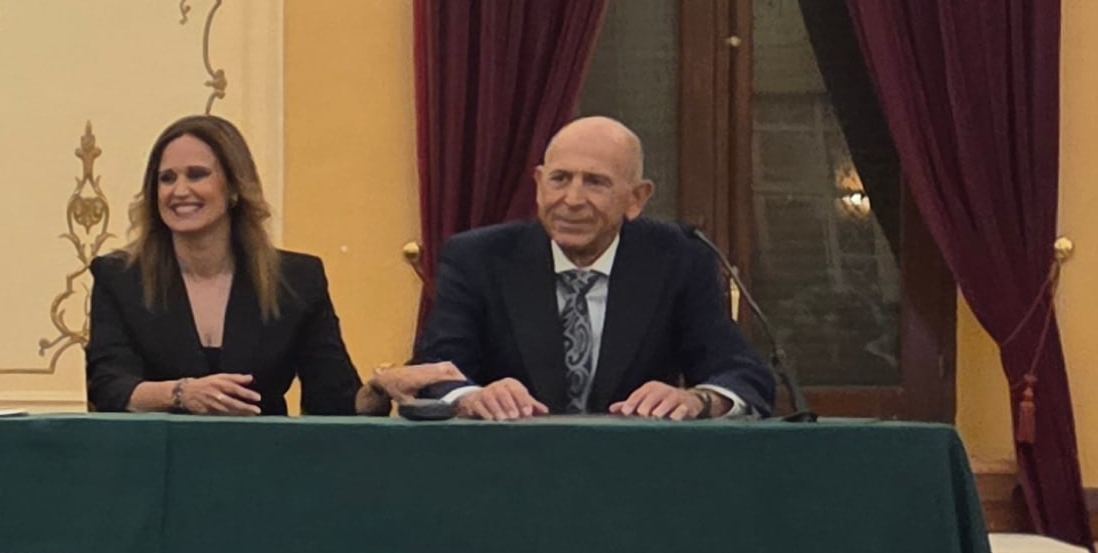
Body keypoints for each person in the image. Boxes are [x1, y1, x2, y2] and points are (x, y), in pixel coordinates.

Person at [373, 115, 773, 420]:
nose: (572, 199)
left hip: (636, 474)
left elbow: (742, 375)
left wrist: (699, 399)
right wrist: (472, 397)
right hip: (503, 471)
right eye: (560, 179)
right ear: (538, 182)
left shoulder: (679, 258)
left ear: (636, 198)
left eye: (595, 182)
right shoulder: (478, 258)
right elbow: (433, 371)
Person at [85, 112, 359, 415]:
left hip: (262, 457)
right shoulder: (118, 278)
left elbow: (334, 398)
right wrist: (181, 392)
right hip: (156, 457)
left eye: (197, 174)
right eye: (167, 178)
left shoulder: (298, 279)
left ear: (234, 188)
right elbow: (109, 386)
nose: (179, 191)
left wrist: (380, 391)